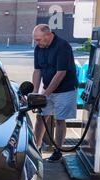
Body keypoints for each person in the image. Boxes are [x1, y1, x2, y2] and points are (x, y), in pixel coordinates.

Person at [32, 24, 78, 162]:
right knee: (41, 117)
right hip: (47, 88)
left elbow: (60, 73)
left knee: (59, 120)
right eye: (35, 40)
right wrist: (35, 92)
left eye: (39, 39)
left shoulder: (63, 46)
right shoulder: (39, 48)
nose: (37, 42)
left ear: (48, 35)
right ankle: (36, 147)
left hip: (65, 89)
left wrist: (45, 95)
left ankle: (58, 151)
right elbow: (37, 70)